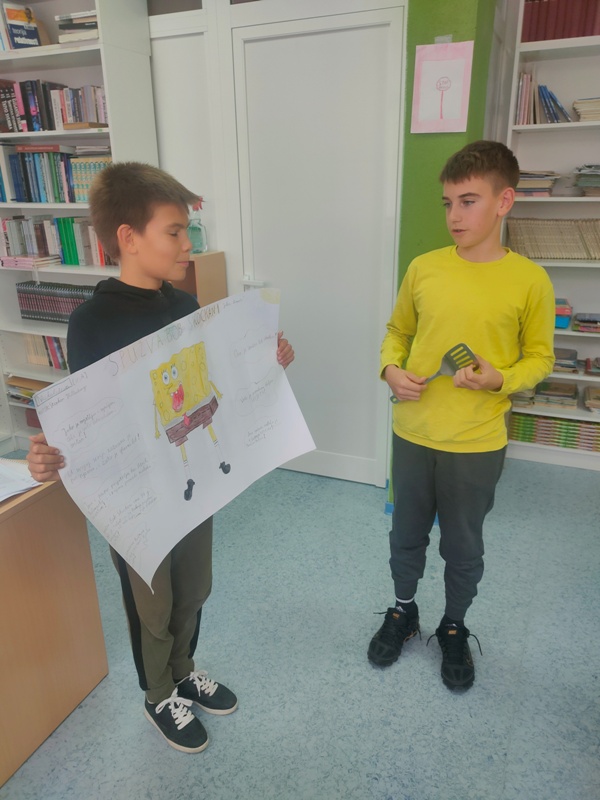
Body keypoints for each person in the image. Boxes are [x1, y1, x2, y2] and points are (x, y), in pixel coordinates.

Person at [26, 162, 295, 752]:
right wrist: (48, 453)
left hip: (190, 476)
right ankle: (158, 694)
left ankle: (183, 670)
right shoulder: (92, 321)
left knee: (194, 585)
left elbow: (210, 381)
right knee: (153, 601)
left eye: (187, 231)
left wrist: (266, 360)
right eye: (174, 231)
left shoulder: (185, 304)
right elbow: (84, 419)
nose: (187, 244)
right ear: (128, 237)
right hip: (135, 496)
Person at [367, 140, 554, 690]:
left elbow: (540, 357)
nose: (454, 215)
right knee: (405, 533)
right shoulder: (424, 268)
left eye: (468, 201)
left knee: (463, 546)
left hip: (475, 441)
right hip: (413, 431)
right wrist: (390, 369)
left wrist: (501, 378)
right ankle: (404, 611)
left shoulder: (530, 280)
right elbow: (397, 331)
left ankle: (454, 625)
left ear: (504, 201)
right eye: (448, 203)